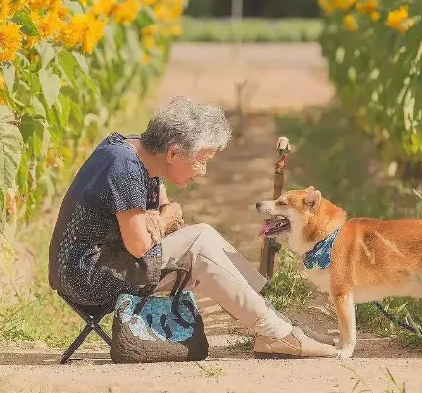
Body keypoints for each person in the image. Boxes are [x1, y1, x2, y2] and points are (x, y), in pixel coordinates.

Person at [48, 96, 337, 358]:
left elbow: (164, 208)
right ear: (173, 154)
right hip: (88, 276)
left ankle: (272, 321)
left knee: (203, 235)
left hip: (105, 262)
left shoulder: (142, 153)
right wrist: (162, 219)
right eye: (202, 160)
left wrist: (160, 218)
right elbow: (141, 244)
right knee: (198, 242)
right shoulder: (124, 167)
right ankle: (276, 332)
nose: (203, 171)